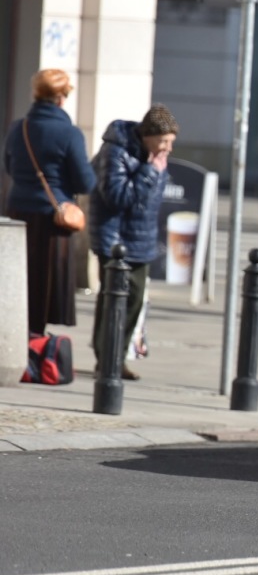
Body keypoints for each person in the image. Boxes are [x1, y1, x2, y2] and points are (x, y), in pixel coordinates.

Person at [88, 104, 179, 381]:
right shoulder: (115, 152)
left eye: (171, 142)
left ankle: (117, 356)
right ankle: (107, 360)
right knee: (113, 298)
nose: (167, 148)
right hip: (114, 239)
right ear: (146, 136)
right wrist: (150, 171)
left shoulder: (156, 157)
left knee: (135, 300)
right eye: (162, 141)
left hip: (141, 238)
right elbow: (117, 196)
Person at [2, 69, 97, 335]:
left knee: (18, 280)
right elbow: (85, 183)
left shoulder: (18, 127)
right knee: (44, 285)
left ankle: (16, 337)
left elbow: (8, 166)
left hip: (17, 211)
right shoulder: (69, 134)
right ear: (61, 98)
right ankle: (35, 340)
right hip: (53, 219)